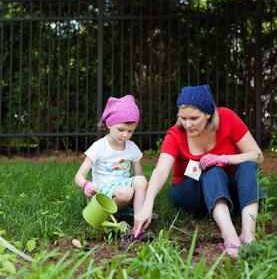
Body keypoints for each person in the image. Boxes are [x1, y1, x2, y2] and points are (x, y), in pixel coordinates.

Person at [134, 84, 264, 257]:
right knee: (211, 169)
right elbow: (161, 171)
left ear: (208, 114)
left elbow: (258, 155)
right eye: (183, 118)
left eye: (194, 118)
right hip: (190, 191)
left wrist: (224, 159)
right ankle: (230, 236)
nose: (187, 124)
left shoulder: (227, 118)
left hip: (227, 189)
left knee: (248, 165)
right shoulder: (175, 134)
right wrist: (147, 205)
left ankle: (249, 235)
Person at [75, 95, 148, 238]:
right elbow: (78, 176)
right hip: (103, 190)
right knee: (125, 192)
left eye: (130, 131)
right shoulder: (99, 147)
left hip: (124, 187)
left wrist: (145, 187)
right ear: (109, 124)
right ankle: (109, 213)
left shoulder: (131, 147)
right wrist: (87, 185)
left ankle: (138, 226)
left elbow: (139, 177)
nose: (125, 135)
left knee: (141, 181)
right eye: (121, 129)